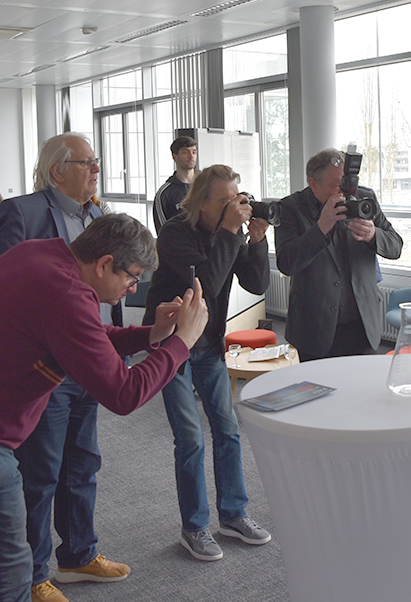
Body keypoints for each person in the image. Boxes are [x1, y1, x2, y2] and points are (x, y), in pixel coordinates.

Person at [0, 214, 208, 602]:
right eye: (131, 276)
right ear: (104, 263)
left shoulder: (40, 256)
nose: (133, 288)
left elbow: (83, 334)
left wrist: (151, 335)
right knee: (8, 583)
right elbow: (124, 394)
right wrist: (181, 343)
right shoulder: (66, 292)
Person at [0, 133, 126, 602]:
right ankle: (33, 573)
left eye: (97, 161)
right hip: (43, 367)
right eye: (86, 162)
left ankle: (78, 555)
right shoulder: (23, 213)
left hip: (90, 356)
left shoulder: (96, 214)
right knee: (40, 471)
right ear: (57, 170)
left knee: (83, 462)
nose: (95, 169)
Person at [143, 165, 272, 561]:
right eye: (226, 200)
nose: (236, 205)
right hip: (172, 345)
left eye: (239, 197)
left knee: (228, 431)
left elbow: (257, 284)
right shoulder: (176, 234)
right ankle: (194, 527)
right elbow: (209, 284)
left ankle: (233, 515)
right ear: (202, 202)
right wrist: (232, 233)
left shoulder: (230, 233)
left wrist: (258, 239)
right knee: (191, 439)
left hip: (210, 344)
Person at [276, 148, 402, 360]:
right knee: (317, 392)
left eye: (347, 183)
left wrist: (373, 235)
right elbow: (287, 263)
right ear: (313, 183)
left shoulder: (363, 198)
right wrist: (321, 228)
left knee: (363, 391)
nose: (345, 192)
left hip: (362, 325)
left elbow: (396, 246)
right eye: (336, 185)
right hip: (314, 329)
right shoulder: (290, 208)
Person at [153, 136, 197, 229]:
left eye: (194, 152)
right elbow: (163, 231)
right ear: (174, 157)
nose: (191, 156)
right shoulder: (165, 193)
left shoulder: (206, 185)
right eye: (185, 152)